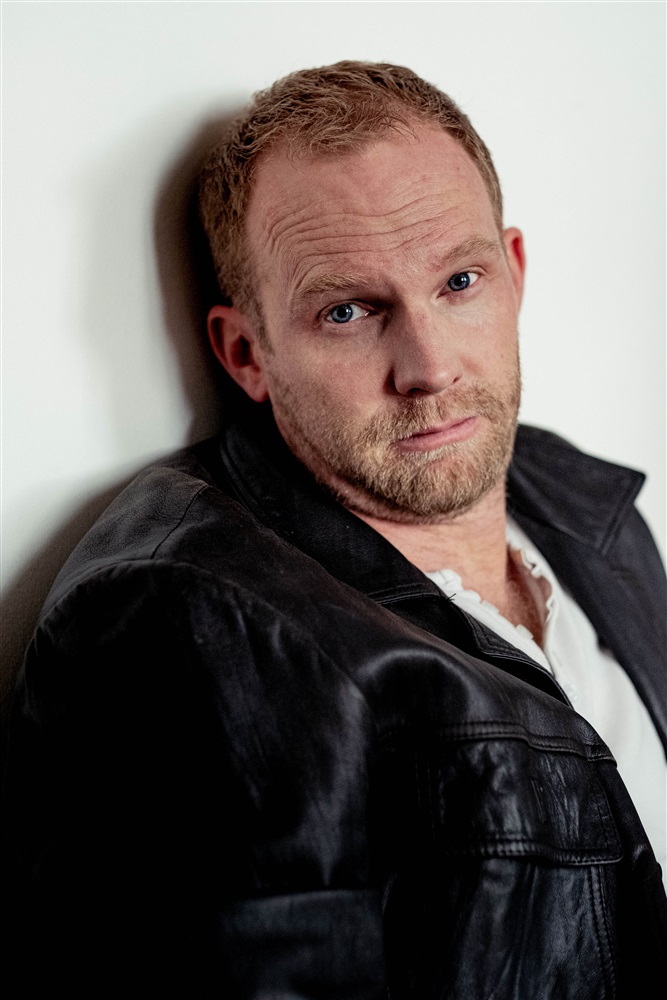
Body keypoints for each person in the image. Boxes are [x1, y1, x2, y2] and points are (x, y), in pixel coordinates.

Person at [2, 61, 666, 998]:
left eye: (459, 280)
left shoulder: (577, 497)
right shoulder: (182, 627)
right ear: (246, 353)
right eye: (347, 311)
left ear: (513, 273)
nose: (428, 367)